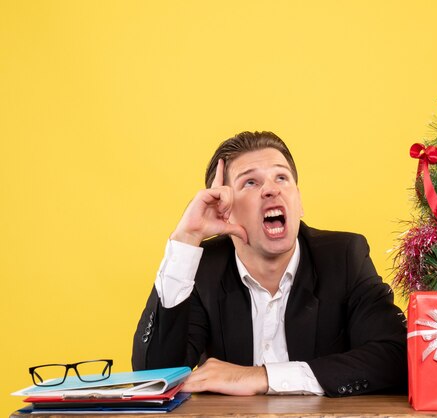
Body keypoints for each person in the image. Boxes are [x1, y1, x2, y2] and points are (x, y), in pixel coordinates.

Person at [132, 131, 407, 397]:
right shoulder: (203, 267)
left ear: (298, 201)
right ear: (224, 209)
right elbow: (154, 377)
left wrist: (262, 377)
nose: (271, 190)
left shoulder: (344, 256)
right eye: (250, 182)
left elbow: (396, 355)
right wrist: (186, 238)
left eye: (281, 177)